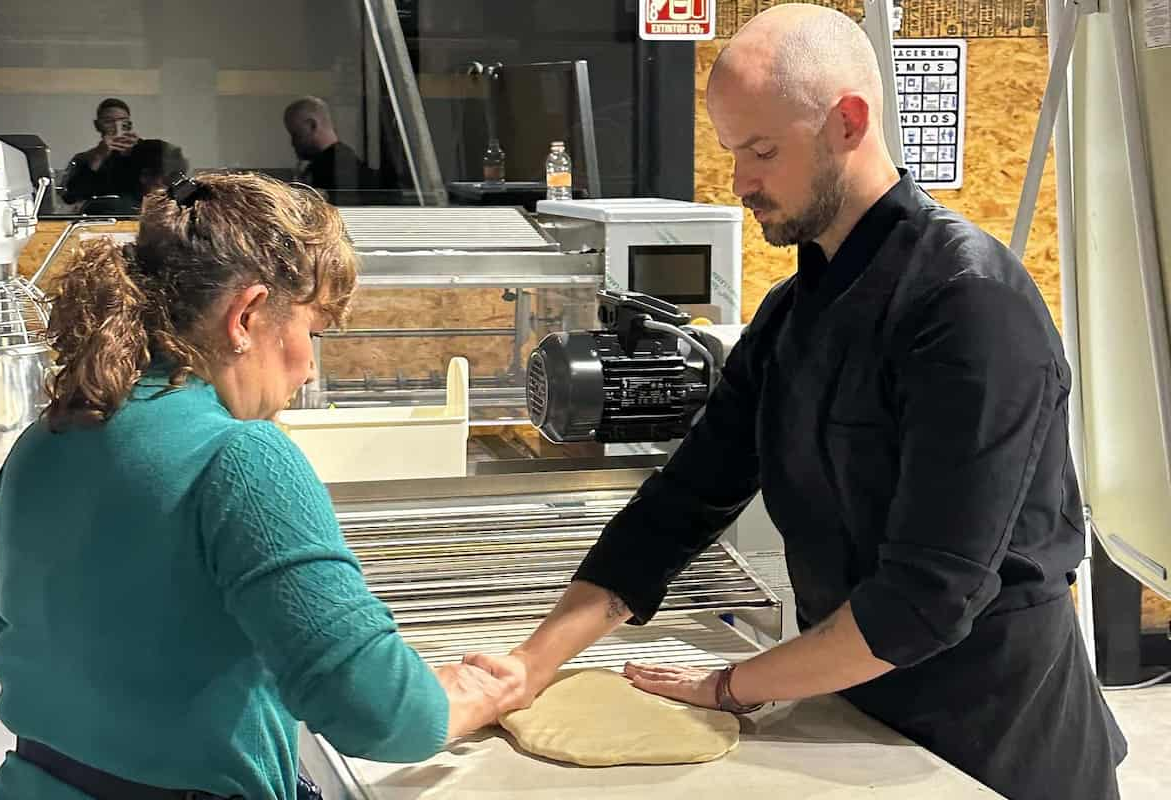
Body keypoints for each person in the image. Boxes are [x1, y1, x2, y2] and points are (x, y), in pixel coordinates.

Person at [464, 6, 1128, 799]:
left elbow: (923, 602)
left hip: (991, 735)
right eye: (733, 152)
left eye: (763, 151)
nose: (741, 180)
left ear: (848, 121)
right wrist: (523, 670)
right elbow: (679, 505)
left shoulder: (968, 306)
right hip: (851, 703)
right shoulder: (793, 314)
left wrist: (727, 687)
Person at [0, 172, 507, 799]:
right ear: (247, 316)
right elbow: (380, 714)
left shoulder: (45, 440)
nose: (310, 367)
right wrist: (465, 697)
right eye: (312, 332)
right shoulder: (240, 456)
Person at [283, 96, 382, 204]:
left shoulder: (337, 168)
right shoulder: (343, 161)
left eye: (296, 134)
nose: (293, 143)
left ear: (312, 125)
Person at [59, 98, 142, 206]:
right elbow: (70, 197)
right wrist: (98, 157)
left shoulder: (145, 153)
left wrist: (141, 150)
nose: (116, 127)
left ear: (130, 125)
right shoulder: (84, 158)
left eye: (123, 122)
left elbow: (161, 190)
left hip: (137, 218)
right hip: (97, 218)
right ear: (97, 125)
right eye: (108, 122)